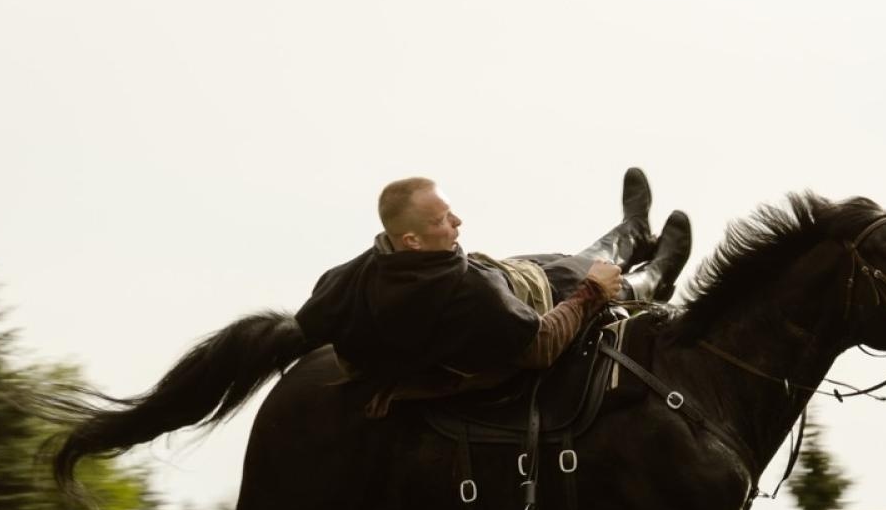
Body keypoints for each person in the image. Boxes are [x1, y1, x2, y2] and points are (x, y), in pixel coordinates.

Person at [294, 170, 692, 416]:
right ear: (411, 240)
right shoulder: (470, 295)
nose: (457, 222)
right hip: (531, 303)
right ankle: (657, 273)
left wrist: (388, 380)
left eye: (450, 211)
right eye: (442, 220)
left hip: (500, 273)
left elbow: (315, 329)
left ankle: (633, 231)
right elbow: (542, 346)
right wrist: (592, 292)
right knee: (598, 277)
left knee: (570, 258)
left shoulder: (343, 280)